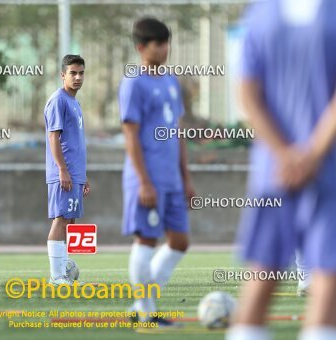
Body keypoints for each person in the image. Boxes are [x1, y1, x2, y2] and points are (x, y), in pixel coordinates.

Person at [227, 1, 336, 339]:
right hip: (327, 169)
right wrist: (310, 155)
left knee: (258, 286)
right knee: (327, 289)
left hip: (274, 173)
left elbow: (246, 93)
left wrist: (284, 155)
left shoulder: (260, 14)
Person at [118, 17, 195, 329]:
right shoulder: (133, 83)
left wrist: (186, 178)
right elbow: (130, 135)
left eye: (167, 42)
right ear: (141, 48)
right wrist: (145, 182)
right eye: (158, 43)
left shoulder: (170, 81)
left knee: (179, 241)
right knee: (146, 240)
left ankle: (141, 305)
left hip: (172, 179)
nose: (165, 49)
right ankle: (147, 313)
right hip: (146, 178)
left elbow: (177, 132)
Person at [44, 54, 90, 286]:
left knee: (70, 221)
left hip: (75, 174)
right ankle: (56, 276)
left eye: (81, 73)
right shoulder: (58, 100)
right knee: (60, 220)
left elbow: (76, 143)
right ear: (63, 75)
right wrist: (62, 169)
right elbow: (54, 137)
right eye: (73, 73)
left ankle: (63, 272)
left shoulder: (75, 102)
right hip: (63, 173)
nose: (78, 77)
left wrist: (83, 176)